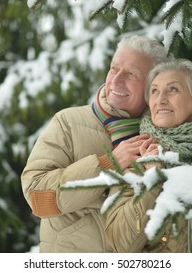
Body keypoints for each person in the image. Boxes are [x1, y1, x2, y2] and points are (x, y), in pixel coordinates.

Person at [21, 35, 172, 252]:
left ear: (153, 86)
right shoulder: (68, 123)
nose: (116, 80)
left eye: (131, 74)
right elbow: (38, 198)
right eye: (114, 69)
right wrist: (108, 165)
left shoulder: (167, 134)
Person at [105, 58, 192, 253]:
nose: (161, 99)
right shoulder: (135, 156)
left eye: (172, 89)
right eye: (154, 91)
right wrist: (152, 179)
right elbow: (121, 244)